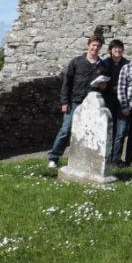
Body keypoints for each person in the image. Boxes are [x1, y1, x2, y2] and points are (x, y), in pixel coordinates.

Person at [48, 34, 107, 168]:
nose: (95, 48)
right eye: (93, 45)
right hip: (75, 101)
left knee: (89, 131)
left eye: (98, 46)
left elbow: (103, 87)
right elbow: (66, 82)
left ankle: (85, 160)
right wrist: (64, 102)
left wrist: (103, 86)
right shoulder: (76, 62)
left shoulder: (102, 65)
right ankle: (53, 158)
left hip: (92, 104)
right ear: (88, 45)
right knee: (66, 130)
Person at [101, 39, 128, 160]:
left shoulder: (127, 64)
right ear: (111, 50)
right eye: (115, 48)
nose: (118, 50)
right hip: (108, 100)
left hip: (122, 101)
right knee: (107, 129)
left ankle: (116, 158)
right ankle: (106, 156)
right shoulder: (105, 63)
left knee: (120, 131)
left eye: (120, 48)